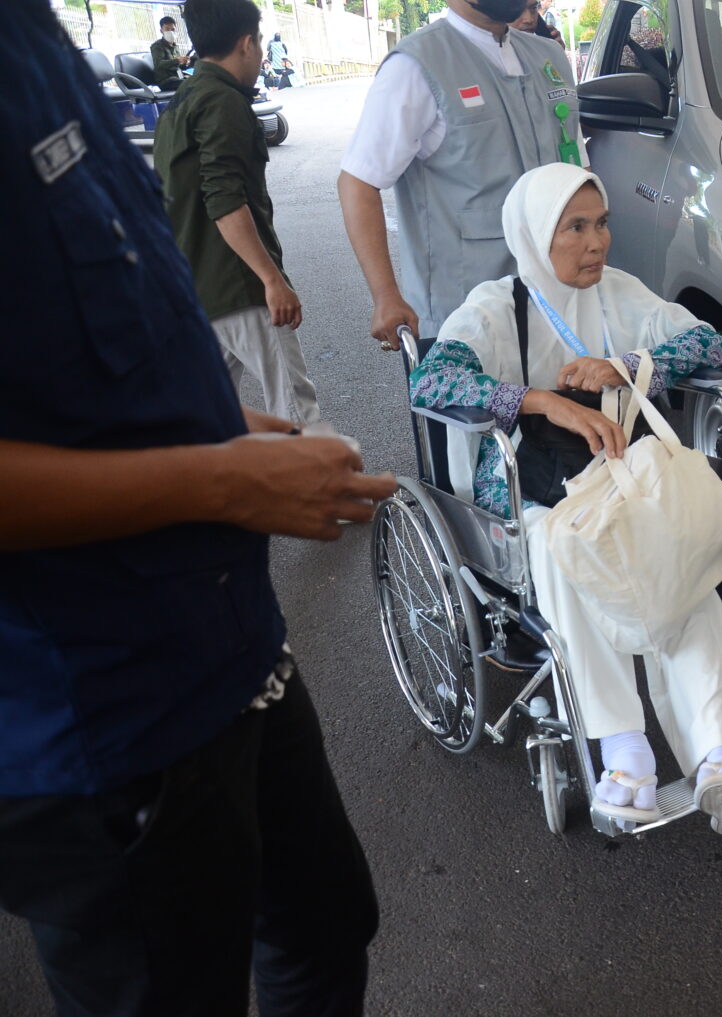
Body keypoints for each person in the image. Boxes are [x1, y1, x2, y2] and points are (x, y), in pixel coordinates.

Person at [0, 3, 396, 1014]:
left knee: (323, 925)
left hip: (230, 643)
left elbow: (106, 335)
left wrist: (239, 427)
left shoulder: (39, 42)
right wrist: (226, 480)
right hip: (105, 722)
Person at [410, 163, 722, 835]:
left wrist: (629, 365)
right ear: (535, 234)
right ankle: (624, 748)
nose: (596, 242)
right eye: (574, 227)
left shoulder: (619, 296)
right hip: (534, 484)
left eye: (600, 224)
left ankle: (720, 754)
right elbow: (431, 383)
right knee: (562, 547)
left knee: (680, 556)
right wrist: (534, 399)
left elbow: (711, 345)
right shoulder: (495, 308)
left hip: (623, 474)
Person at [338, 0, 584, 352]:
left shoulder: (549, 58)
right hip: (464, 318)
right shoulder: (418, 65)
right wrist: (386, 295)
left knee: (571, 407)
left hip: (558, 307)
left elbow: (577, 166)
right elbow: (358, 181)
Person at [154, 0, 322, 429]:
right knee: (296, 412)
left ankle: (214, 496)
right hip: (241, 285)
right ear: (247, 43)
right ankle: (321, 496)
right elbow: (225, 199)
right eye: (261, 42)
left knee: (210, 420)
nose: (262, 52)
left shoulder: (180, 101)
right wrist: (272, 280)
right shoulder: (223, 101)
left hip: (200, 288)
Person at [148, 14, 190, 90]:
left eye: (172, 29)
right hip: (165, 81)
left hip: (177, 78)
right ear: (161, 31)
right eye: (167, 29)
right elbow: (159, 64)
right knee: (189, 84)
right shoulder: (157, 46)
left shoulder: (175, 47)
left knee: (197, 80)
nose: (170, 31)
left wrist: (185, 63)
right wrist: (177, 60)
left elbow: (178, 66)